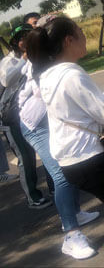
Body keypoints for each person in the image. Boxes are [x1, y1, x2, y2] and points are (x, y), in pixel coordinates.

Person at [25, 17, 104, 268]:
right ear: (68, 40)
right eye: (80, 32)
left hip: (72, 160)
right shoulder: (70, 74)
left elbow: (87, 108)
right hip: (89, 158)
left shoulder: (48, 75)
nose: (84, 36)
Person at [18, 55, 99, 259]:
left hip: (50, 120)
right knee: (61, 175)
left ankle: (76, 213)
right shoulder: (42, 58)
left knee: (70, 165)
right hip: (36, 125)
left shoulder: (57, 58)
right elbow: (43, 91)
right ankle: (71, 235)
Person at [0, 24, 53, 209]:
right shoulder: (9, 61)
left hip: (35, 114)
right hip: (12, 117)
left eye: (28, 36)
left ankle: (54, 186)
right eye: (22, 38)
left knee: (48, 150)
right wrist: (23, 60)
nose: (25, 41)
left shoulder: (35, 57)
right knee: (26, 158)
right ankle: (33, 197)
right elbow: (6, 80)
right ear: (15, 42)